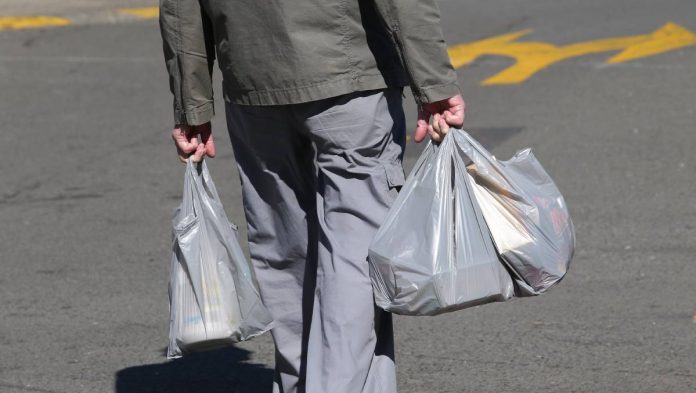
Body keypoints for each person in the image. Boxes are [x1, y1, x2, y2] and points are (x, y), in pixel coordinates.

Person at [159, 1, 464, 392]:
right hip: (350, 69)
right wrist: (435, 82)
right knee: (355, 260)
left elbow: (181, 7)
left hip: (252, 76)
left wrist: (191, 103)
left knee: (284, 255)